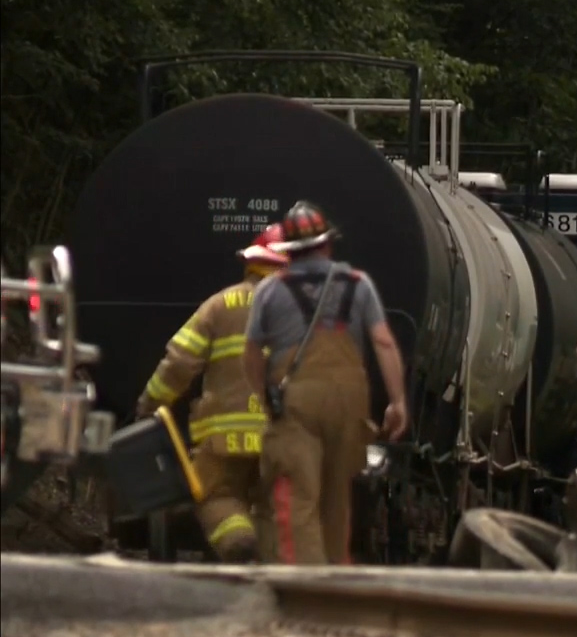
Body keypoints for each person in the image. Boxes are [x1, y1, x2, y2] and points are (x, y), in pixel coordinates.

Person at [243, 200, 408, 565]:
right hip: (349, 403)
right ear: (327, 244)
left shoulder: (270, 291)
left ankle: (308, 587)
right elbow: (383, 341)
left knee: (298, 496)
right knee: (337, 498)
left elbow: (252, 355)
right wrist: (397, 402)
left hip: (297, 401)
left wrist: (266, 396)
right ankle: (336, 583)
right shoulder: (358, 284)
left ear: (290, 251)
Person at [135, 224, 290, 563]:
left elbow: (179, 363)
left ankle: (239, 543)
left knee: (216, 495)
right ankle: (275, 561)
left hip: (223, 438)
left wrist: (150, 406)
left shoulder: (220, 306)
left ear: (252, 264)